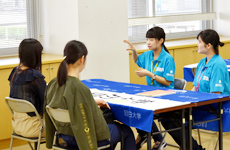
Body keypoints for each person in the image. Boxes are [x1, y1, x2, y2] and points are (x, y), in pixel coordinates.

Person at [44, 40, 136, 150]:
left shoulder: (54, 83)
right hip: (80, 138)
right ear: (82, 59)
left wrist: (92, 102)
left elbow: (66, 106)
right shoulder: (79, 88)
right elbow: (85, 123)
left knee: (110, 124)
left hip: (64, 135)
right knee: (126, 131)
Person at [161, 29, 230, 150]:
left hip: (211, 106)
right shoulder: (202, 62)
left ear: (208, 45)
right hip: (198, 102)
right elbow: (195, 87)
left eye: (199, 42)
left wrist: (192, 102)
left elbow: (216, 94)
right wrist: (184, 97)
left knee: (173, 118)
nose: (197, 45)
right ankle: (193, 147)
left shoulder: (218, 65)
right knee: (166, 116)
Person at [124, 26, 175, 150]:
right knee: (134, 107)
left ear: (161, 40)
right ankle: (146, 136)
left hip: (166, 95)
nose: (148, 42)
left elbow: (167, 82)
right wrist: (134, 52)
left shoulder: (168, 58)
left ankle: (156, 139)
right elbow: (138, 61)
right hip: (152, 94)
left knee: (144, 110)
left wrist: (149, 74)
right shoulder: (147, 55)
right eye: (147, 39)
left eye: (151, 39)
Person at [8, 38, 46, 138]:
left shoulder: (15, 72)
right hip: (34, 128)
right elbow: (46, 103)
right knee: (67, 125)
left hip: (17, 125)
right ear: (35, 56)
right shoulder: (34, 76)